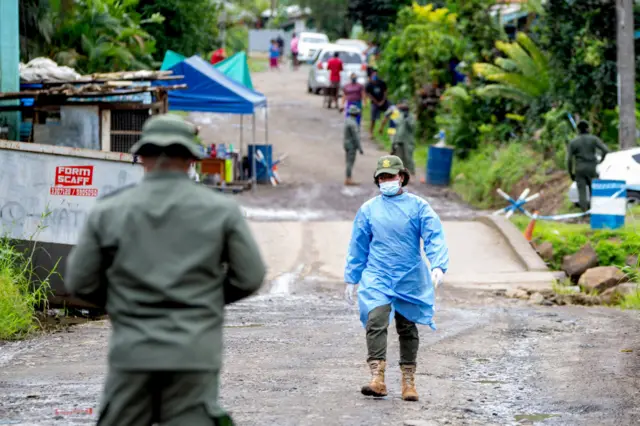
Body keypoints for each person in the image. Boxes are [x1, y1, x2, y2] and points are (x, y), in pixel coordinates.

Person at [65, 114, 266, 426]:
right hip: (194, 352)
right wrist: (205, 300)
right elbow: (251, 276)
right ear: (190, 159)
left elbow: (80, 281)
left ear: (141, 156)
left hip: (132, 350)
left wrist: (124, 303)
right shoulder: (221, 209)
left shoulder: (108, 210)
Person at [344, 155, 449, 402]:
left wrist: (438, 265)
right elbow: (358, 245)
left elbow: (434, 236)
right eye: (382, 177)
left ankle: (408, 381)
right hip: (378, 274)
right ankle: (377, 379)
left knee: (407, 326)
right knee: (376, 320)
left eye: (390, 176)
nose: (386, 181)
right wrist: (352, 277)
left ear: (401, 177)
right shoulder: (368, 210)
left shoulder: (419, 207)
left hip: (409, 276)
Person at [567, 120, 610, 211]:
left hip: (580, 169)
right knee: (594, 190)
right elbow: (605, 150)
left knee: (582, 192)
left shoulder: (573, 142)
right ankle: (596, 210)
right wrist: (600, 161)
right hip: (592, 167)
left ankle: (585, 213)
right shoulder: (593, 139)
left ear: (578, 130)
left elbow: (569, 160)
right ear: (588, 129)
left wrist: (571, 173)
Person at [390, 100, 417, 176]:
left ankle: (411, 173)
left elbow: (412, 127)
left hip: (408, 141)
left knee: (408, 158)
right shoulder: (400, 116)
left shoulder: (411, 117)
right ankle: (400, 175)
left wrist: (407, 119)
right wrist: (393, 142)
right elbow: (397, 129)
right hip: (399, 140)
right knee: (399, 158)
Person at [344, 104, 364, 186]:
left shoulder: (347, 120)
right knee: (350, 162)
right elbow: (356, 137)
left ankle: (348, 178)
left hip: (346, 143)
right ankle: (348, 179)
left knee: (348, 161)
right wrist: (360, 148)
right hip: (351, 145)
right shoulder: (353, 124)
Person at [366, 70, 389, 138]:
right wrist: (377, 102)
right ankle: (371, 132)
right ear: (371, 76)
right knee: (373, 118)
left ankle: (381, 127)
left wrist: (383, 101)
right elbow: (369, 95)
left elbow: (385, 92)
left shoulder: (381, 83)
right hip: (375, 103)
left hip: (383, 101)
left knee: (390, 111)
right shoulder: (369, 85)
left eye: (376, 74)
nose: (375, 76)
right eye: (373, 74)